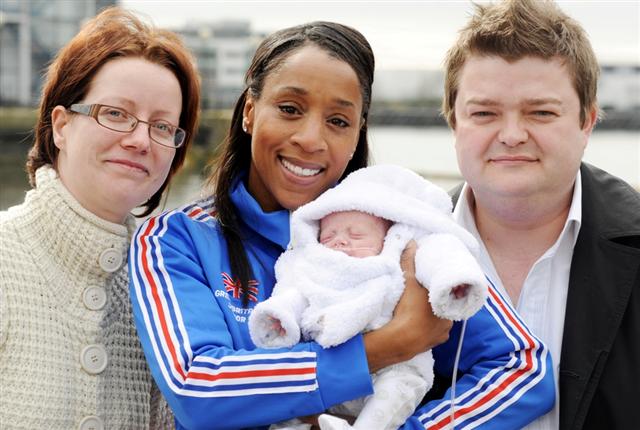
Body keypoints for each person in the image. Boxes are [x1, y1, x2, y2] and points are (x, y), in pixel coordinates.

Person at [129, 21, 553, 430]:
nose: (311, 139)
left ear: (357, 135)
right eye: (290, 109)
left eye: (338, 121)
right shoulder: (178, 240)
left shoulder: (401, 230)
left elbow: (524, 368)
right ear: (250, 112)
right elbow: (196, 389)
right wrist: (388, 346)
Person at [440, 0, 640, 429]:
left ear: (587, 122)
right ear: (454, 123)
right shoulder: (393, 252)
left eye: (541, 112)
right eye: (484, 113)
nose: (512, 135)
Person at [0, 7, 200, 429]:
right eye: (115, 113)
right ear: (60, 126)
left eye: (163, 127)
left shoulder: (169, 284)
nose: (140, 140)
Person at [249, 164, 488, 430]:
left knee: (397, 390)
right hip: (326, 362)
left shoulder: (402, 255)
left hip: (395, 368)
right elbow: (293, 294)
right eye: (329, 236)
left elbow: (442, 258)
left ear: (388, 237)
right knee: (288, 407)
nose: (340, 242)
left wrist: (453, 284)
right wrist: (280, 318)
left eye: (356, 235)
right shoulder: (314, 264)